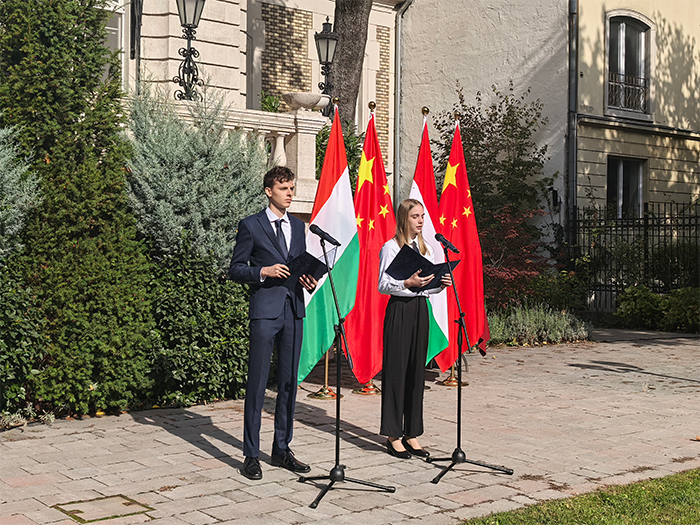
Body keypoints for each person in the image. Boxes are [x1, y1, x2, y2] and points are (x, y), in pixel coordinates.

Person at [229, 166, 317, 480]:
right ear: (269, 191)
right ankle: (251, 455)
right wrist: (263, 272)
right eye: (284, 189)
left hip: (294, 310)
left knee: (289, 383)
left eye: (292, 188)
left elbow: (299, 264)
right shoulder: (251, 225)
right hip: (265, 312)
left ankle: (281, 449)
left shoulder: (299, 226)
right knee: (257, 384)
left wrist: (307, 278)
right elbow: (235, 269)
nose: (290, 193)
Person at [377, 198, 451, 459]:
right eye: (415, 216)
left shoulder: (426, 248)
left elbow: (427, 287)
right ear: (403, 219)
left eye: (422, 216)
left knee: (416, 372)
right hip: (399, 309)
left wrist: (440, 284)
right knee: (397, 372)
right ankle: (393, 435)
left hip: (420, 310)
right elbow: (382, 284)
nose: (420, 221)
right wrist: (406, 283)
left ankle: (412, 433)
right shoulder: (390, 247)